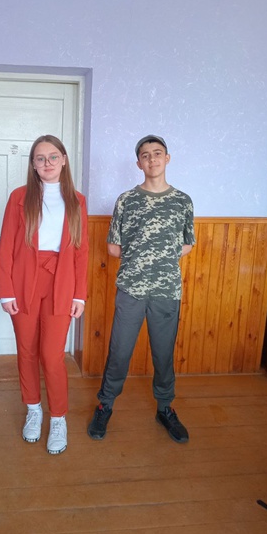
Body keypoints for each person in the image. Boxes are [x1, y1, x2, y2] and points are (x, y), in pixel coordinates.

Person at [87, 135, 195, 444]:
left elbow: (187, 243)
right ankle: (105, 405)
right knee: (119, 351)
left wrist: (159, 256)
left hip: (166, 290)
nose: (152, 159)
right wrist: (141, 256)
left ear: (167, 158)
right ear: (139, 163)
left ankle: (165, 409)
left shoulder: (183, 200)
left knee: (163, 354)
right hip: (131, 289)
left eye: (157, 153)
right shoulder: (127, 200)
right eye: (145, 155)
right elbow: (112, 247)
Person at [0, 135, 89, 455]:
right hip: (24, 281)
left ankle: (58, 418)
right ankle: (33, 409)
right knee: (26, 351)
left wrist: (80, 295)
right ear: (33, 164)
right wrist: (5, 290)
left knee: (51, 355)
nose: (47, 163)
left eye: (53, 157)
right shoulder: (19, 197)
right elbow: (6, 245)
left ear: (63, 160)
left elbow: (81, 251)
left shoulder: (77, 200)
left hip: (61, 283)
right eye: (40, 158)